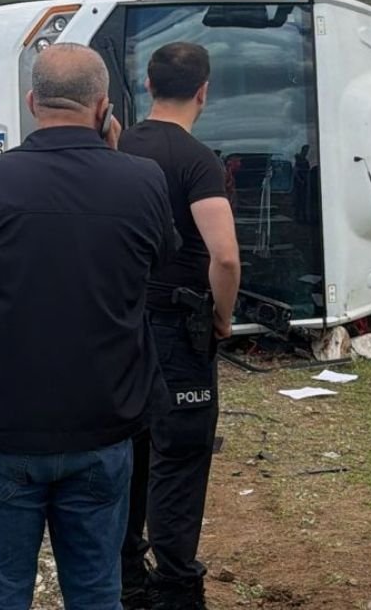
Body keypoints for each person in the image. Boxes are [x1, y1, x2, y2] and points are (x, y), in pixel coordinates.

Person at [0, 43, 177, 610]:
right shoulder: (144, 182)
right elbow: (154, 266)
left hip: (0, 431)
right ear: (104, 106)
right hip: (104, 427)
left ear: (32, 102)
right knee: (97, 591)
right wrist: (112, 159)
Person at [116, 42, 241, 610]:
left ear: (147, 84)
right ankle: (176, 587)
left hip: (118, 325)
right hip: (176, 326)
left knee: (125, 451)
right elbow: (226, 256)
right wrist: (221, 315)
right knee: (181, 457)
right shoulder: (197, 160)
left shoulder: (117, 148)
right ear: (203, 91)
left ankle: (125, 580)